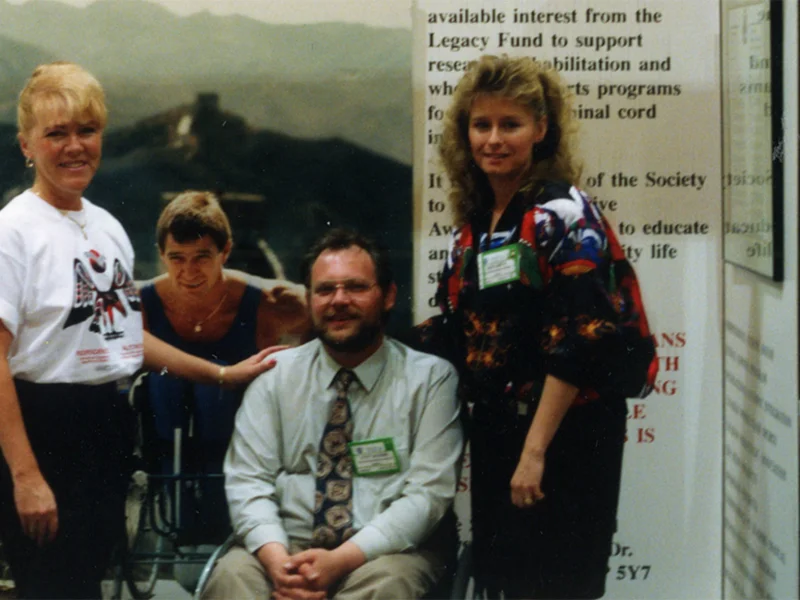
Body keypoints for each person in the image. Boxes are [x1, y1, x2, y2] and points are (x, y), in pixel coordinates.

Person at [0, 61, 277, 599]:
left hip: (104, 428)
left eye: (87, 130)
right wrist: (26, 476)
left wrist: (221, 375)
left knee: (88, 587)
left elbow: (123, 336)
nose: (75, 146)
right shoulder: (13, 232)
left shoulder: (107, 228)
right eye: (56, 133)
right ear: (27, 145)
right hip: (40, 431)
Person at [416, 55, 657, 599]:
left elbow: (579, 340)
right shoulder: (476, 226)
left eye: (511, 124)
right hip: (500, 431)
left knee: (557, 586)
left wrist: (534, 451)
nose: (493, 139)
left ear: (541, 130)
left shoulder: (563, 213)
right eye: (481, 125)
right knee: (503, 582)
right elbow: (461, 331)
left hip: (565, 436)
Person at [201, 228, 463, 600]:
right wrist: (280, 565)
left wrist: (339, 561)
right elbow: (248, 481)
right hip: (285, 547)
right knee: (232, 577)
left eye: (355, 287)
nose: (339, 300)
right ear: (309, 300)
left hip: (384, 553)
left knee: (390, 585)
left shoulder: (430, 379)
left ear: (388, 296)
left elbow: (428, 496)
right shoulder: (274, 377)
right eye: (325, 290)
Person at [140, 190, 310, 582]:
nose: (189, 271)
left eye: (202, 257)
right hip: (167, 438)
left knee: (214, 390)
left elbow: (326, 315)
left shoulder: (265, 300)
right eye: (176, 258)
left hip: (241, 443)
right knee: (164, 383)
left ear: (225, 252)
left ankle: (225, 525)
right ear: (161, 255)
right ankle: (179, 518)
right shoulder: (143, 301)